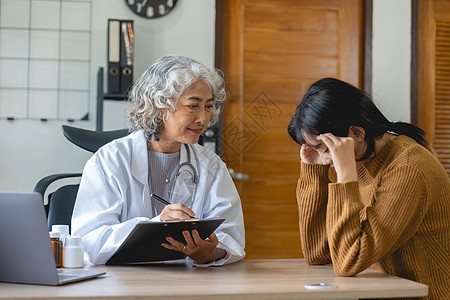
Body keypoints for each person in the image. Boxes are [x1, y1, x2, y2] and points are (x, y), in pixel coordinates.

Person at [71, 55, 245, 266]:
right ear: (159, 106)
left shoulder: (211, 165)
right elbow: (90, 242)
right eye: (192, 106)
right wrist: (157, 225)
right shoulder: (109, 160)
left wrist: (211, 253)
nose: (203, 119)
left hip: (189, 284)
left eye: (208, 106)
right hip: (122, 285)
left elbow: (232, 236)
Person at [287, 78, 449, 299]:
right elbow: (318, 253)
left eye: (325, 149)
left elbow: (348, 262)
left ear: (356, 133)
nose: (326, 160)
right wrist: (313, 171)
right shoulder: (359, 159)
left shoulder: (409, 167)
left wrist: (345, 178)